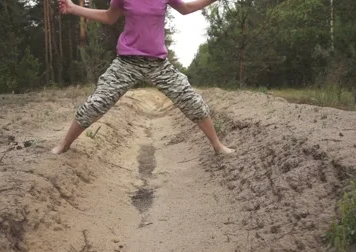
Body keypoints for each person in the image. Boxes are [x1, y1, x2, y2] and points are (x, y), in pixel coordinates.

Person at [52, 0, 234, 155]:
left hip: (158, 64)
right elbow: (109, 17)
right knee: (97, 102)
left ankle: (217, 146)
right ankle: (64, 144)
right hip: (127, 63)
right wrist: (73, 8)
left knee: (191, 100)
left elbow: (186, 9)